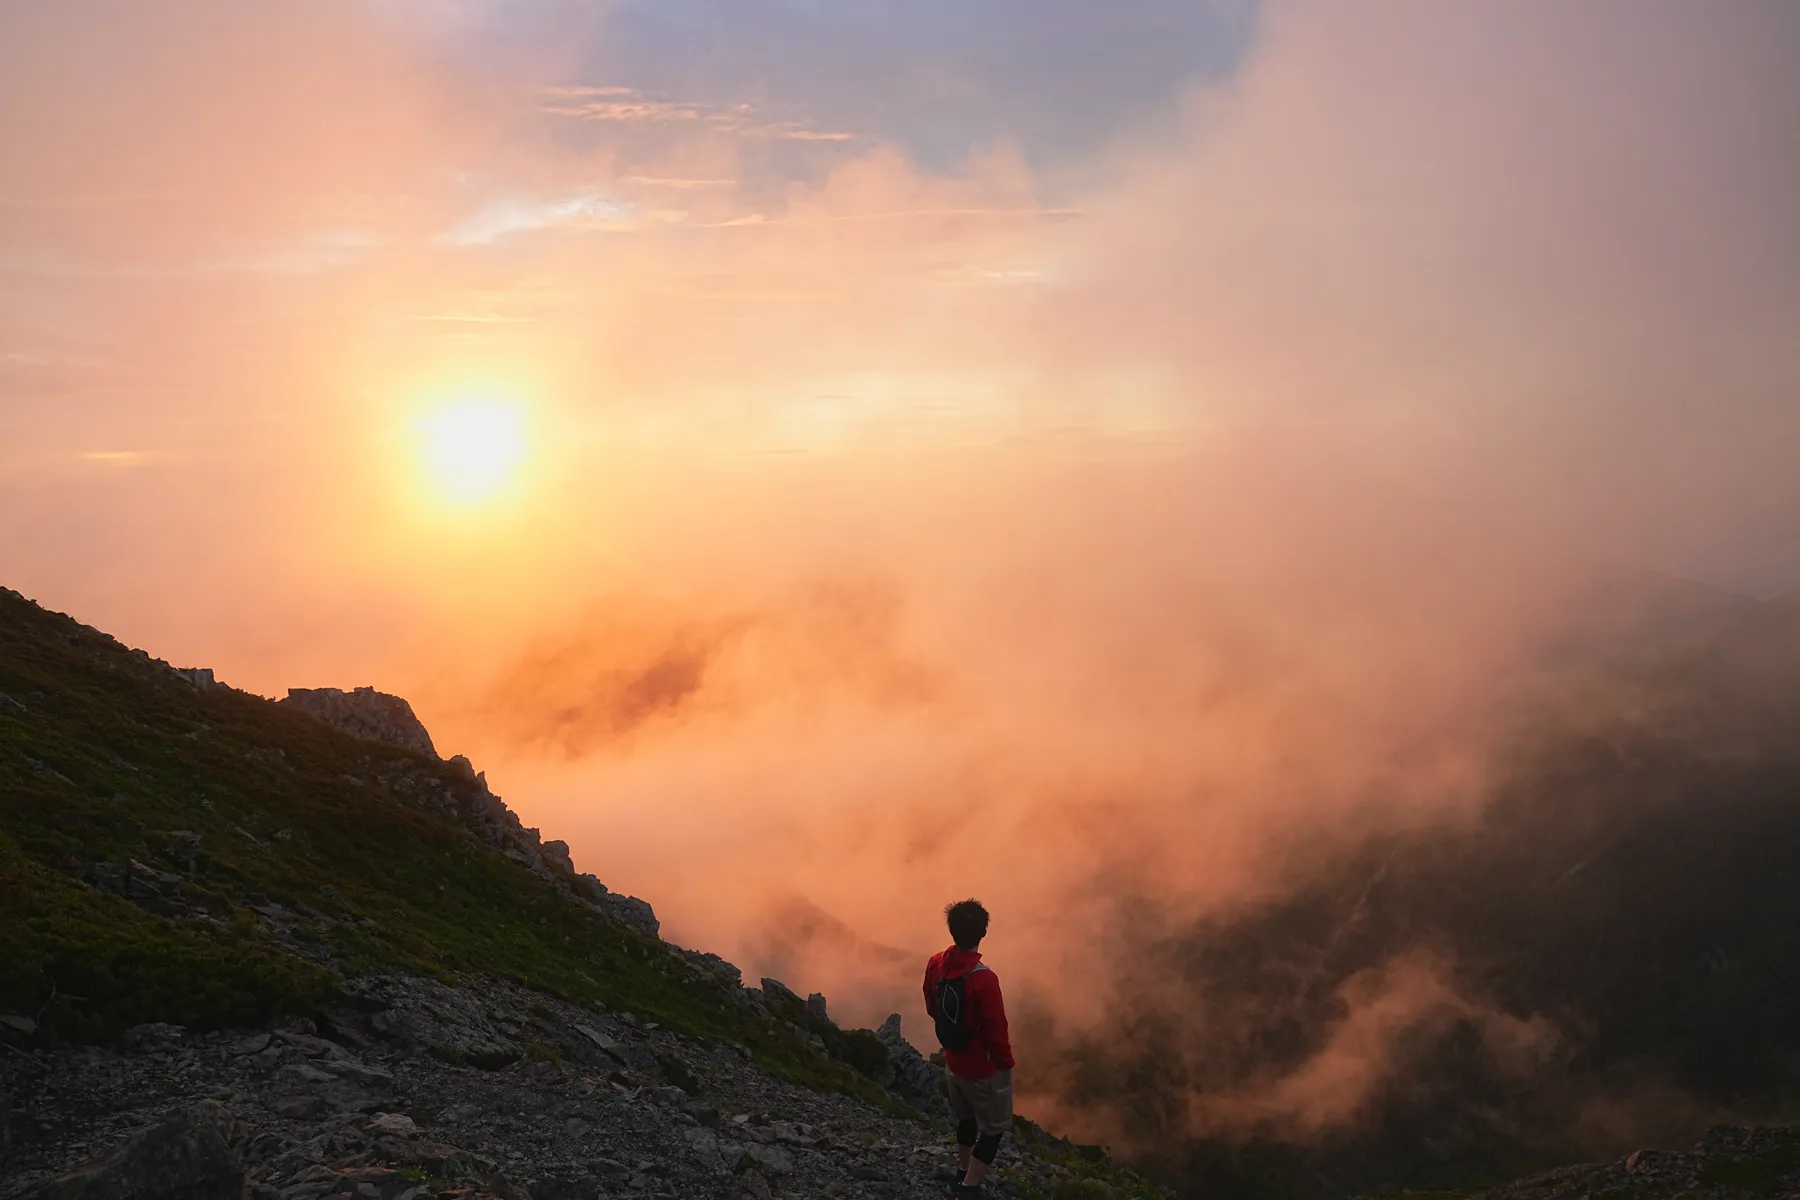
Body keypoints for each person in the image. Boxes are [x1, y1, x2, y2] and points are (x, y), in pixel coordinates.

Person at [924, 898, 1014, 1198]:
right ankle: (970, 1189)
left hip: (953, 1062)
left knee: (965, 1120)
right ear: (983, 933)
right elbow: (996, 1029)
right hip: (982, 1068)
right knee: (994, 1128)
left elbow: (931, 1006)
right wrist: (1006, 1064)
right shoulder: (984, 979)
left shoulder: (936, 963)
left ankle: (962, 1171)